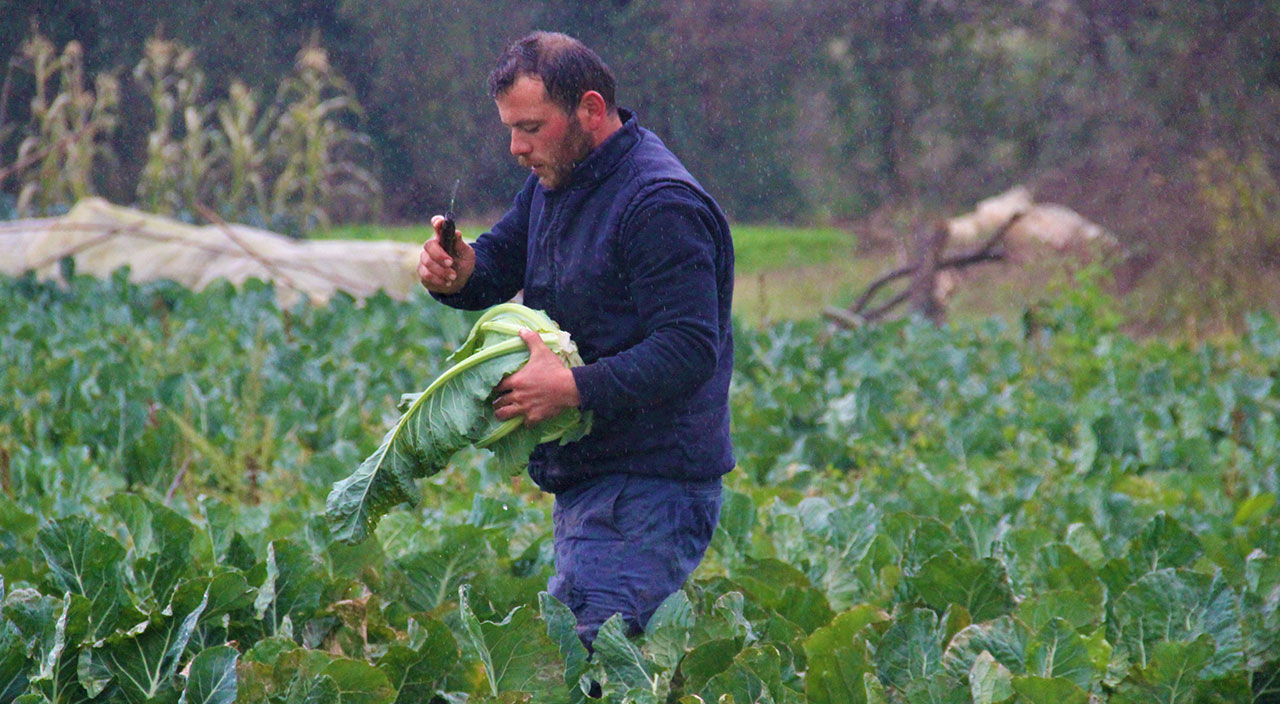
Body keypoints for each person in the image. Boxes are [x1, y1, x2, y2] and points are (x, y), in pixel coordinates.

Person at [417, 31, 734, 649]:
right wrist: (458, 272)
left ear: (590, 109)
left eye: (531, 127)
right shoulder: (557, 180)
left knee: (593, 667)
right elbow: (499, 261)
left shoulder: (659, 205)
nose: (516, 147)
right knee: (595, 665)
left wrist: (570, 387)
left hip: (649, 486)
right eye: (511, 129)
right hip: (595, 480)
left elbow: (689, 348)